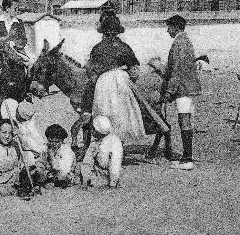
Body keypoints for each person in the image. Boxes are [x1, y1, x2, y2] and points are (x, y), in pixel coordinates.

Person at [84, 10, 155, 145]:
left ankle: (105, 139)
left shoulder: (97, 48)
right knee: (123, 112)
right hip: (122, 80)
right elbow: (134, 71)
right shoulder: (125, 47)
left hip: (103, 83)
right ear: (118, 32)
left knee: (104, 112)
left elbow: (89, 69)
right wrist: (129, 81)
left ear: (103, 32)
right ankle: (119, 143)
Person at [161, 14, 201, 171]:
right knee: (187, 121)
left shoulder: (178, 43)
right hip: (190, 87)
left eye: (168, 27)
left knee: (184, 121)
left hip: (183, 89)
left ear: (175, 27)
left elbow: (177, 70)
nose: (167, 31)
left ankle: (187, 159)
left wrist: (169, 91)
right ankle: (186, 157)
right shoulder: (186, 40)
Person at [0, 99, 45, 169]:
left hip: (24, 140)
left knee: (35, 147)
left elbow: (33, 135)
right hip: (12, 139)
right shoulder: (9, 108)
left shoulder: (29, 120)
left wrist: (36, 148)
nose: (23, 120)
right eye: (21, 118)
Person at [81, 115, 123, 188]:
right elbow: (87, 161)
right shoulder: (95, 143)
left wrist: (112, 183)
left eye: (92, 129)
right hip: (99, 171)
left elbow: (115, 164)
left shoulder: (114, 143)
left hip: (108, 174)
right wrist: (85, 179)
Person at [0, 0, 29, 65]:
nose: (17, 11)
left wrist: (15, 43)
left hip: (17, 52)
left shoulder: (19, 23)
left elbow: (24, 40)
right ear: (7, 8)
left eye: (18, 8)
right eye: (15, 8)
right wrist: (2, 40)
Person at [33, 124, 76, 188]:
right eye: (50, 141)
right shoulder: (46, 147)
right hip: (49, 173)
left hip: (62, 174)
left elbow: (63, 170)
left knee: (62, 178)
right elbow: (39, 162)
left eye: (57, 142)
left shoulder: (66, 150)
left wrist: (52, 157)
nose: (54, 144)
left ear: (62, 140)